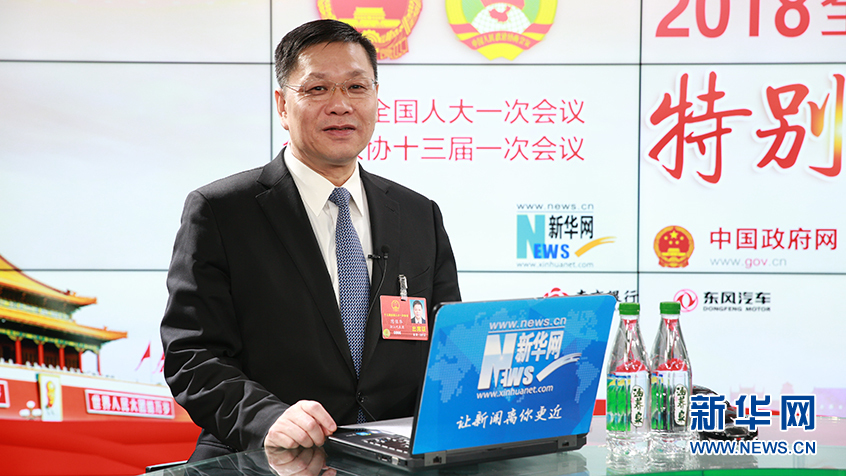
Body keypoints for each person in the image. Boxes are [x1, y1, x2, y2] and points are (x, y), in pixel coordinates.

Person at [160, 19, 461, 462]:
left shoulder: (419, 214)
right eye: (317, 89)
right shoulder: (222, 211)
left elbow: (447, 350)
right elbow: (192, 355)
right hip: (263, 457)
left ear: (376, 97)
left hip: (395, 456)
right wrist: (265, 418)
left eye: (356, 87)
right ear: (283, 105)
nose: (340, 105)